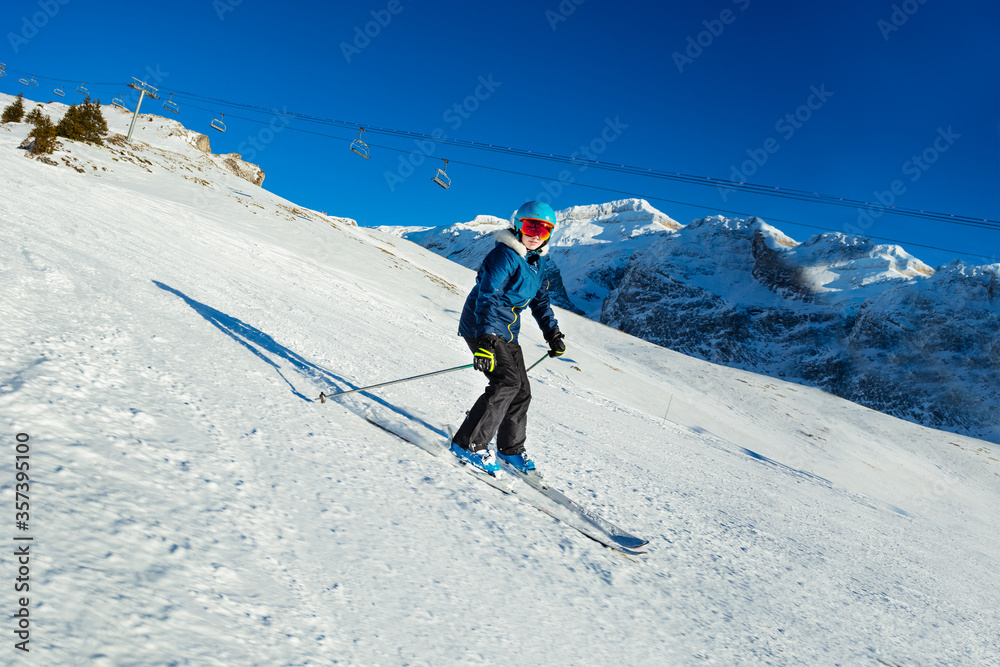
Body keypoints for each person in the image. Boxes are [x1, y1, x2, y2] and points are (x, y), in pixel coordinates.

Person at [450, 201, 567, 476]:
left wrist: (552, 333)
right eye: (531, 226)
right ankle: (468, 445)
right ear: (518, 226)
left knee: (521, 391)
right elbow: (487, 295)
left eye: (544, 230)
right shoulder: (505, 255)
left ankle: (509, 449)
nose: (537, 234)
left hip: (506, 332)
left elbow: (541, 302)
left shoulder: (537, 262)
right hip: (483, 326)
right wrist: (486, 337)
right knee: (506, 382)